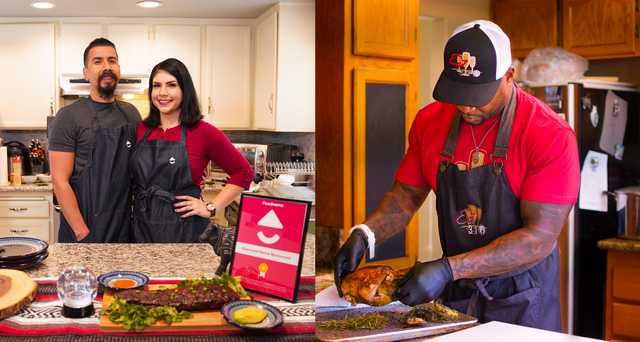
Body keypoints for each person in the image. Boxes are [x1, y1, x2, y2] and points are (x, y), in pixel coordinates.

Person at [334, 20, 580, 331]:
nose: (465, 104)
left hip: (522, 296)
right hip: (459, 293)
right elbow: (405, 196)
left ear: (509, 76)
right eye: (458, 91)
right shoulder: (429, 122)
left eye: (478, 93)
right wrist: (365, 234)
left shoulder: (548, 134)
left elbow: (539, 239)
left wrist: (449, 269)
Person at [130, 58, 253, 243]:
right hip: (142, 227)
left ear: (184, 90)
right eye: (156, 85)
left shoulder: (203, 132)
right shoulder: (140, 130)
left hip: (185, 229)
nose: (162, 93)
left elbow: (243, 172)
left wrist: (211, 207)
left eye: (171, 85)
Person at [50, 38, 141, 243]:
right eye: (98, 61)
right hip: (83, 231)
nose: (107, 67)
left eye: (112, 60)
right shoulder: (68, 116)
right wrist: (81, 231)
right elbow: (59, 181)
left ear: (119, 68)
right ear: (86, 72)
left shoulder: (132, 114)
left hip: (122, 231)